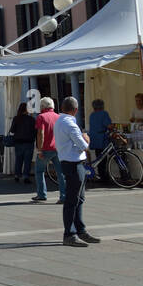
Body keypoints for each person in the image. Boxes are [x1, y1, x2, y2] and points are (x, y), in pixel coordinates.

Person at [54, 97, 99, 247]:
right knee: (73, 200)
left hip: (69, 162)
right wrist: (86, 138)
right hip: (74, 163)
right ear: (75, 110)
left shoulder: (60, 120)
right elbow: (83, 145)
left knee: (78, 198)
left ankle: (80, 230)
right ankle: (70, 233)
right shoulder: (70, 123)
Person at [33, 97, 63, 203]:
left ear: (42, 106)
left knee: (39, 171)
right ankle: (63, 195)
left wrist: (40, 149)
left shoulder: (41, 117)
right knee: (60, 173)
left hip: (45, 148)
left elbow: (40, 133)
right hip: (58, 148)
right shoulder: (59, 117)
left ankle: (42, 194)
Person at [8, 102, 37, 183]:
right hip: (29, 142)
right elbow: (35, 131)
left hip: (18, 142)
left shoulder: (16, 118)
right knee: (27, 160)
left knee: (18, 159)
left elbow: (12, 130)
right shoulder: (31, 119)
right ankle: (25, 176)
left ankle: (17, 175)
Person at [87, 99, 113, 181]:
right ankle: (106, 177)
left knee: (99, 158)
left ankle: (102, 176)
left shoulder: (92, 115)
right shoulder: (104, 114)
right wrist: (113, 127)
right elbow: (109, 125)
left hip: (94, 138)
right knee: (104, 158)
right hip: (102, 138)